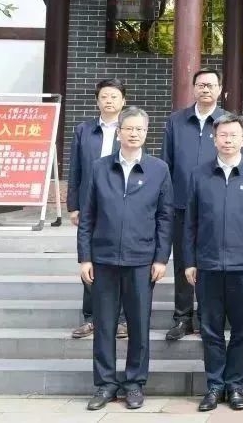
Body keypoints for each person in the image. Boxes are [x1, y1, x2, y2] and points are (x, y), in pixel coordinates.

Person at [77, 107, 172, 412]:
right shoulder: (99, 167)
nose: (134, 134)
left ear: (146, 133)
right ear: (119, 132)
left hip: (141, 259)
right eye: (128, 128)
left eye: (139, 129)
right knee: (104, 324)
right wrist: (85, 257)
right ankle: (105, 384)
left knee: (139, 325)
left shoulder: (159, 169)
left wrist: (161, 258)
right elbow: (88, 215)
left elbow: (165, 217)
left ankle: (134, 383)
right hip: (103, 258)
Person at [183, 113, 243, 412]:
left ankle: (234, 385)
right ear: (214, 138)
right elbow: (190, 223)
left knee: (241, 329)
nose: (228, 140)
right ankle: (214, 385)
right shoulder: (199, 174)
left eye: (234, 135)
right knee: (210, 329)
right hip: (208, 265)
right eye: (223, 135)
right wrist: (189, 261)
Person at [162, 69, 225, 341]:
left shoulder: (226, 122)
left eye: (211, 85)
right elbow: (166, 164)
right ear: (194, 88)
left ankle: (207, 316)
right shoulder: (176, 121)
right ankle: (182, 317)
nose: (206, 89)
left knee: (210, 262)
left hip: (216, 205)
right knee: (183, 261)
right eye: (201, 85)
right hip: (180, 204)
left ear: (219, 89)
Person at [68, 78, 127, 340]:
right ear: (97, 101)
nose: (109, 101)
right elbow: (75, 169)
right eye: (104, 96)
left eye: (114, 96)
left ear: (123, 101)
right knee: (88, 259)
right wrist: (73, 206)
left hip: (119, 204)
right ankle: (91, 317)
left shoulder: (129, 129)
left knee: (121, 260)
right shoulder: (84, 130)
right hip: (90, 203)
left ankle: (121, 319)